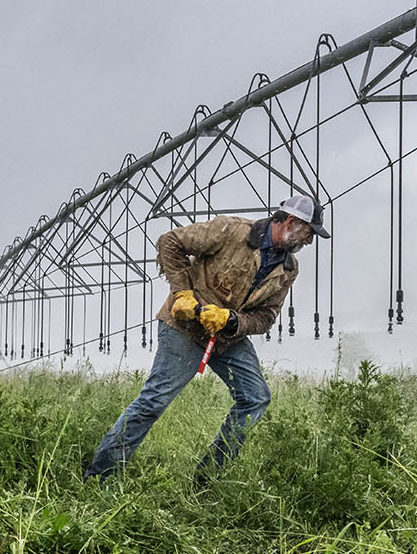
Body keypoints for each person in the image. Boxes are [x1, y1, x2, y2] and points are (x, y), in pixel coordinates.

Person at [83, 192, 328, 482]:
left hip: (226, 338)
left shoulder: (288, 269)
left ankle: (206, 479)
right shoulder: (231, 231)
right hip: (184, 328)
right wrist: (182, 292)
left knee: (255, 398)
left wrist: (233, 320)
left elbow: (267, 317)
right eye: (309, 232)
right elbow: (170, 241)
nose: (309, 240)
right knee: (154, 401)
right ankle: (100, 477)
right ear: (290, 221)